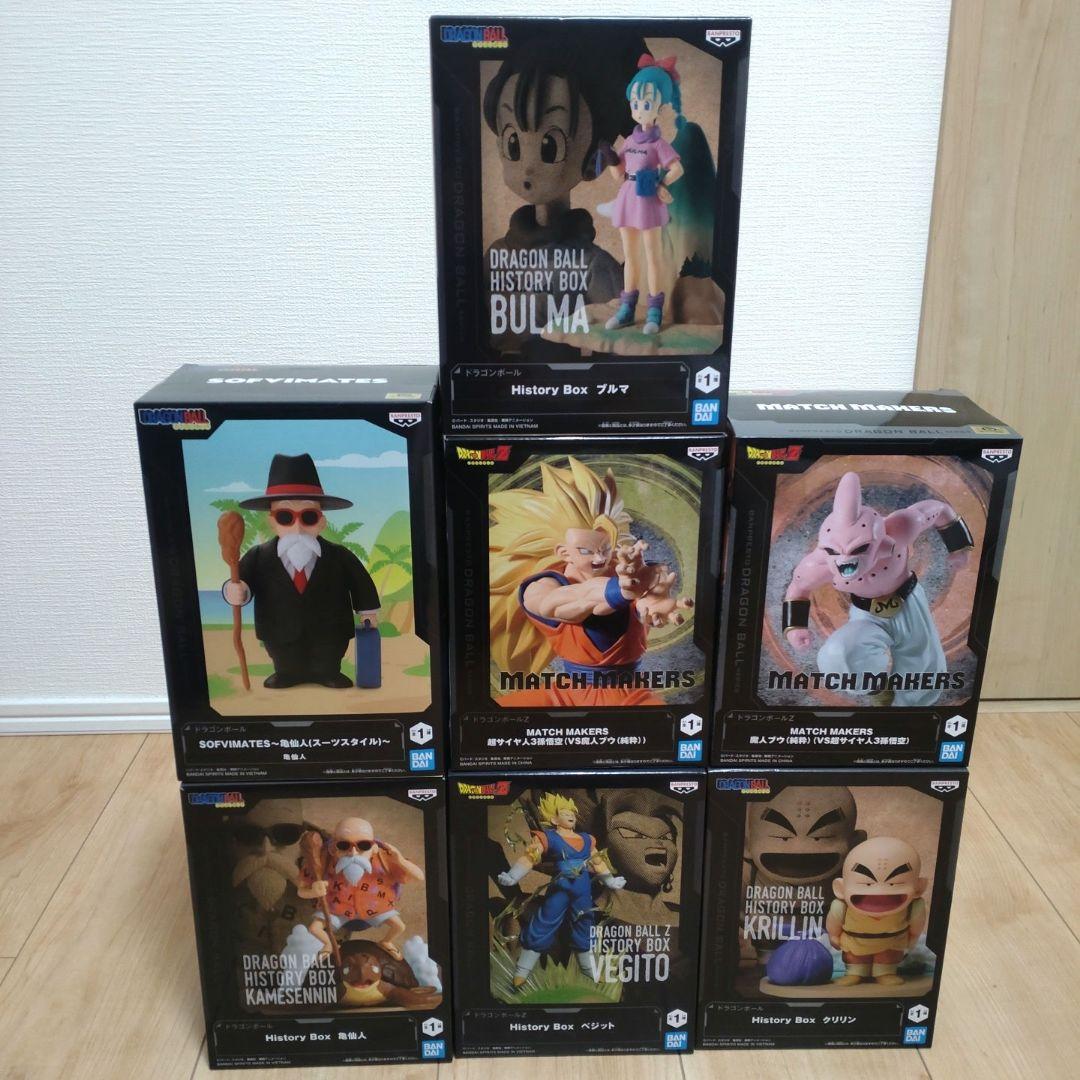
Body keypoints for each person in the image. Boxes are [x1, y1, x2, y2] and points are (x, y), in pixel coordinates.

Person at [223, 453, 379, 688]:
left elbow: (360, 583)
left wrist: (367, 611)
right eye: (285, 516)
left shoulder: (338, 556)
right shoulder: (259, 556)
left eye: (308, 516)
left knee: (328, 656)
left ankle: (328, 672)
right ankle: (286, 673)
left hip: (330, 629)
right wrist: (237, 590)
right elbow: (241, 583)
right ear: (272, 522)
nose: (297, 526)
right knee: (286, 659)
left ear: (322, 521)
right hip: (279, 628)